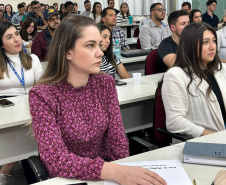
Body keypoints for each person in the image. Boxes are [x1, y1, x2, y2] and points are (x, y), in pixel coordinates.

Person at [28, 14, 166, 185]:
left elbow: (118, 140)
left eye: (99, 45)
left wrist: (123, 171)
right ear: (67, 52)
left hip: (109, 176)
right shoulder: (42, 95)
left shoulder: (104, 83)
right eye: (90, 45)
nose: (100, 52)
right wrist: (115, 171)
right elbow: (57, 161)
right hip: (69, 179)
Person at [162, 22, 226, 139]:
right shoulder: (176, 76)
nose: (212, 47)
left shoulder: (221, 69)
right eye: (205, 42)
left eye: (214, 40)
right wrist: (215, 138)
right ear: (190, 46)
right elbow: (175, 122)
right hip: (202, 141)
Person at [0, 20, 43, 185]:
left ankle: (13, 171)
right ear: (1, 44)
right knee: (25, 140)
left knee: (31, 136)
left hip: (31, 107)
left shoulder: (32, 59)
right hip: (6, 111)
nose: (17, 39)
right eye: (9, 37)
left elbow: (40, 85)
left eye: (16, 34)